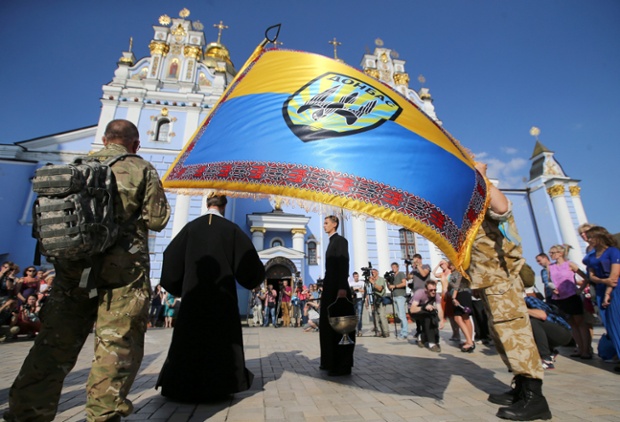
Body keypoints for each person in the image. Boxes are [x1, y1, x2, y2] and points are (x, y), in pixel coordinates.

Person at [5, 119, 171, 422]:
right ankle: (103, 414)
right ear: (135, 144)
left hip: (72, 271)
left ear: (105, 139)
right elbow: (157, 219)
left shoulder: (78, 167)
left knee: (54, 343)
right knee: (115, 344)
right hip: (122, 275)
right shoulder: (140, 167)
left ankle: (26, 412)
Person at [156, 194, 265, 402]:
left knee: (189, 339)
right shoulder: (232, 230)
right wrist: (254, 279)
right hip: (221, 299)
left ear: (207, 204)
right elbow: (250, 263)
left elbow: (170, 257)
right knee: (220, 341)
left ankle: (182, 384)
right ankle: (219, 385)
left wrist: (178, 288)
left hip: (192, 296)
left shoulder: (190, 228)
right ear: (223, 206)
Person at [468, 162, 551, 421]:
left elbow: (502, 208)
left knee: (515, 334)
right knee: (502, 335)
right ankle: (521, 387)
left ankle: (534, 398)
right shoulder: (470, 202)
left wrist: (480, 175)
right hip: (487, 281)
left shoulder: (486, 192)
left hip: (502, 277)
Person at [319, 215, 355, 377]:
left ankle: (342, 364)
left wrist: (342, 287)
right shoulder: (331, 242)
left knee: (340, 325)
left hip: (337, 289)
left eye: (326, 223)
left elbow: (343, 263)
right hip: (329, 287)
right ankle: (329, 361)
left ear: (334, 224)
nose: (324, 225)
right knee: (327, 325)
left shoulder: (340, 241)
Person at [582, 225, 620, 372]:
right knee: (610, 326)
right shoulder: (592, 256)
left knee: (617, 322)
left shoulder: (613, 251)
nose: (588, 239)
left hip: (615, 290)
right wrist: (603, 284)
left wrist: (608, 292)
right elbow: (591, 275)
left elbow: (615, 275)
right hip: (600, 289)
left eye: (591, 236)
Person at [547, 244, 591, 359]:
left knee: (580, 322)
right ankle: (579, 348)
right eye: (550, 253)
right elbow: (549, 281)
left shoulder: (570, 264)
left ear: (560, 253)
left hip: (572, 295)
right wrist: (552, 288)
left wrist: (580, 290)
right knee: (571, 323)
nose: (551, 255)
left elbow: (586, 277)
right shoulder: (550, 267)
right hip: (559, 297)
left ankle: (586, 350)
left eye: (553, 252)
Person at [524, 293, 572, 370]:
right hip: (553, 333)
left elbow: (542, 315)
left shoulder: (528, 299)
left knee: (533, 322)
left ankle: (546, 358)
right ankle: (550, 351)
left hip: (563, 333)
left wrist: (521, 308)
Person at [409, 280, 444, 352]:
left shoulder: (436, 296)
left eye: (435, 290)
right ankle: (431, 343)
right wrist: (424, 307)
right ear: (426, 290)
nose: (433, 292)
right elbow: (412, 309)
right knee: (428, 317)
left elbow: (440, 309)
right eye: (431, 290)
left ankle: (423, 338)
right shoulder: (419, 293)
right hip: (415, 311)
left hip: (425, 311)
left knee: (434, 316)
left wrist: (442, 321)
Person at [449, 271, 475, 352]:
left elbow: (457, 284)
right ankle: (469, 341)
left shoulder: (460, 270)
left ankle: (469, 342)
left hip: (461, 294)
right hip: (466, 294)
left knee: (458, 318)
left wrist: (453, 297)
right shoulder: (464, 270)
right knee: (466, 318)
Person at [387, 262, 408, 340]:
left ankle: (404, 333)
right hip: (395, 296)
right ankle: (402, 331)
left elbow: (404, 283)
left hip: (400, 296)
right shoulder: (393, 276)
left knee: (402, 315)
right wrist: (387, 281)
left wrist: (395, 286)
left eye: (395, 267)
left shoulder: (401, 273)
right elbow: (390, 288)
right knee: (399, 315)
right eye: (392, 267)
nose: (393, 268)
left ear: (398, 267)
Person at [369, 268, 390, 337]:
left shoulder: (381, 279)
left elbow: (380, 289)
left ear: (377, 272)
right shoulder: (372, 280)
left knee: (382, 316)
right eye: (372, 273)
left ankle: (386, 332)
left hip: (380, 299)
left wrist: (373, 282)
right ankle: (380, 331)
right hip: (375, 300)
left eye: (374, 272)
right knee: (376, 316)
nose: (373, 274)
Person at [349, 271, 365, 336]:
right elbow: (350, 291)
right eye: (355, 276)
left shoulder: (362, 282)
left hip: (360, 299)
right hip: (353, 299)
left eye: (357, 276)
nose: (356, 277)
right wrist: (358, 289)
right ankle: (353, 329)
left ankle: (359, 329)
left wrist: (356, 289)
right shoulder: (350, 283)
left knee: (359, 315)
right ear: (353, 277)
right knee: (353, 315)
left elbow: (363, 291)